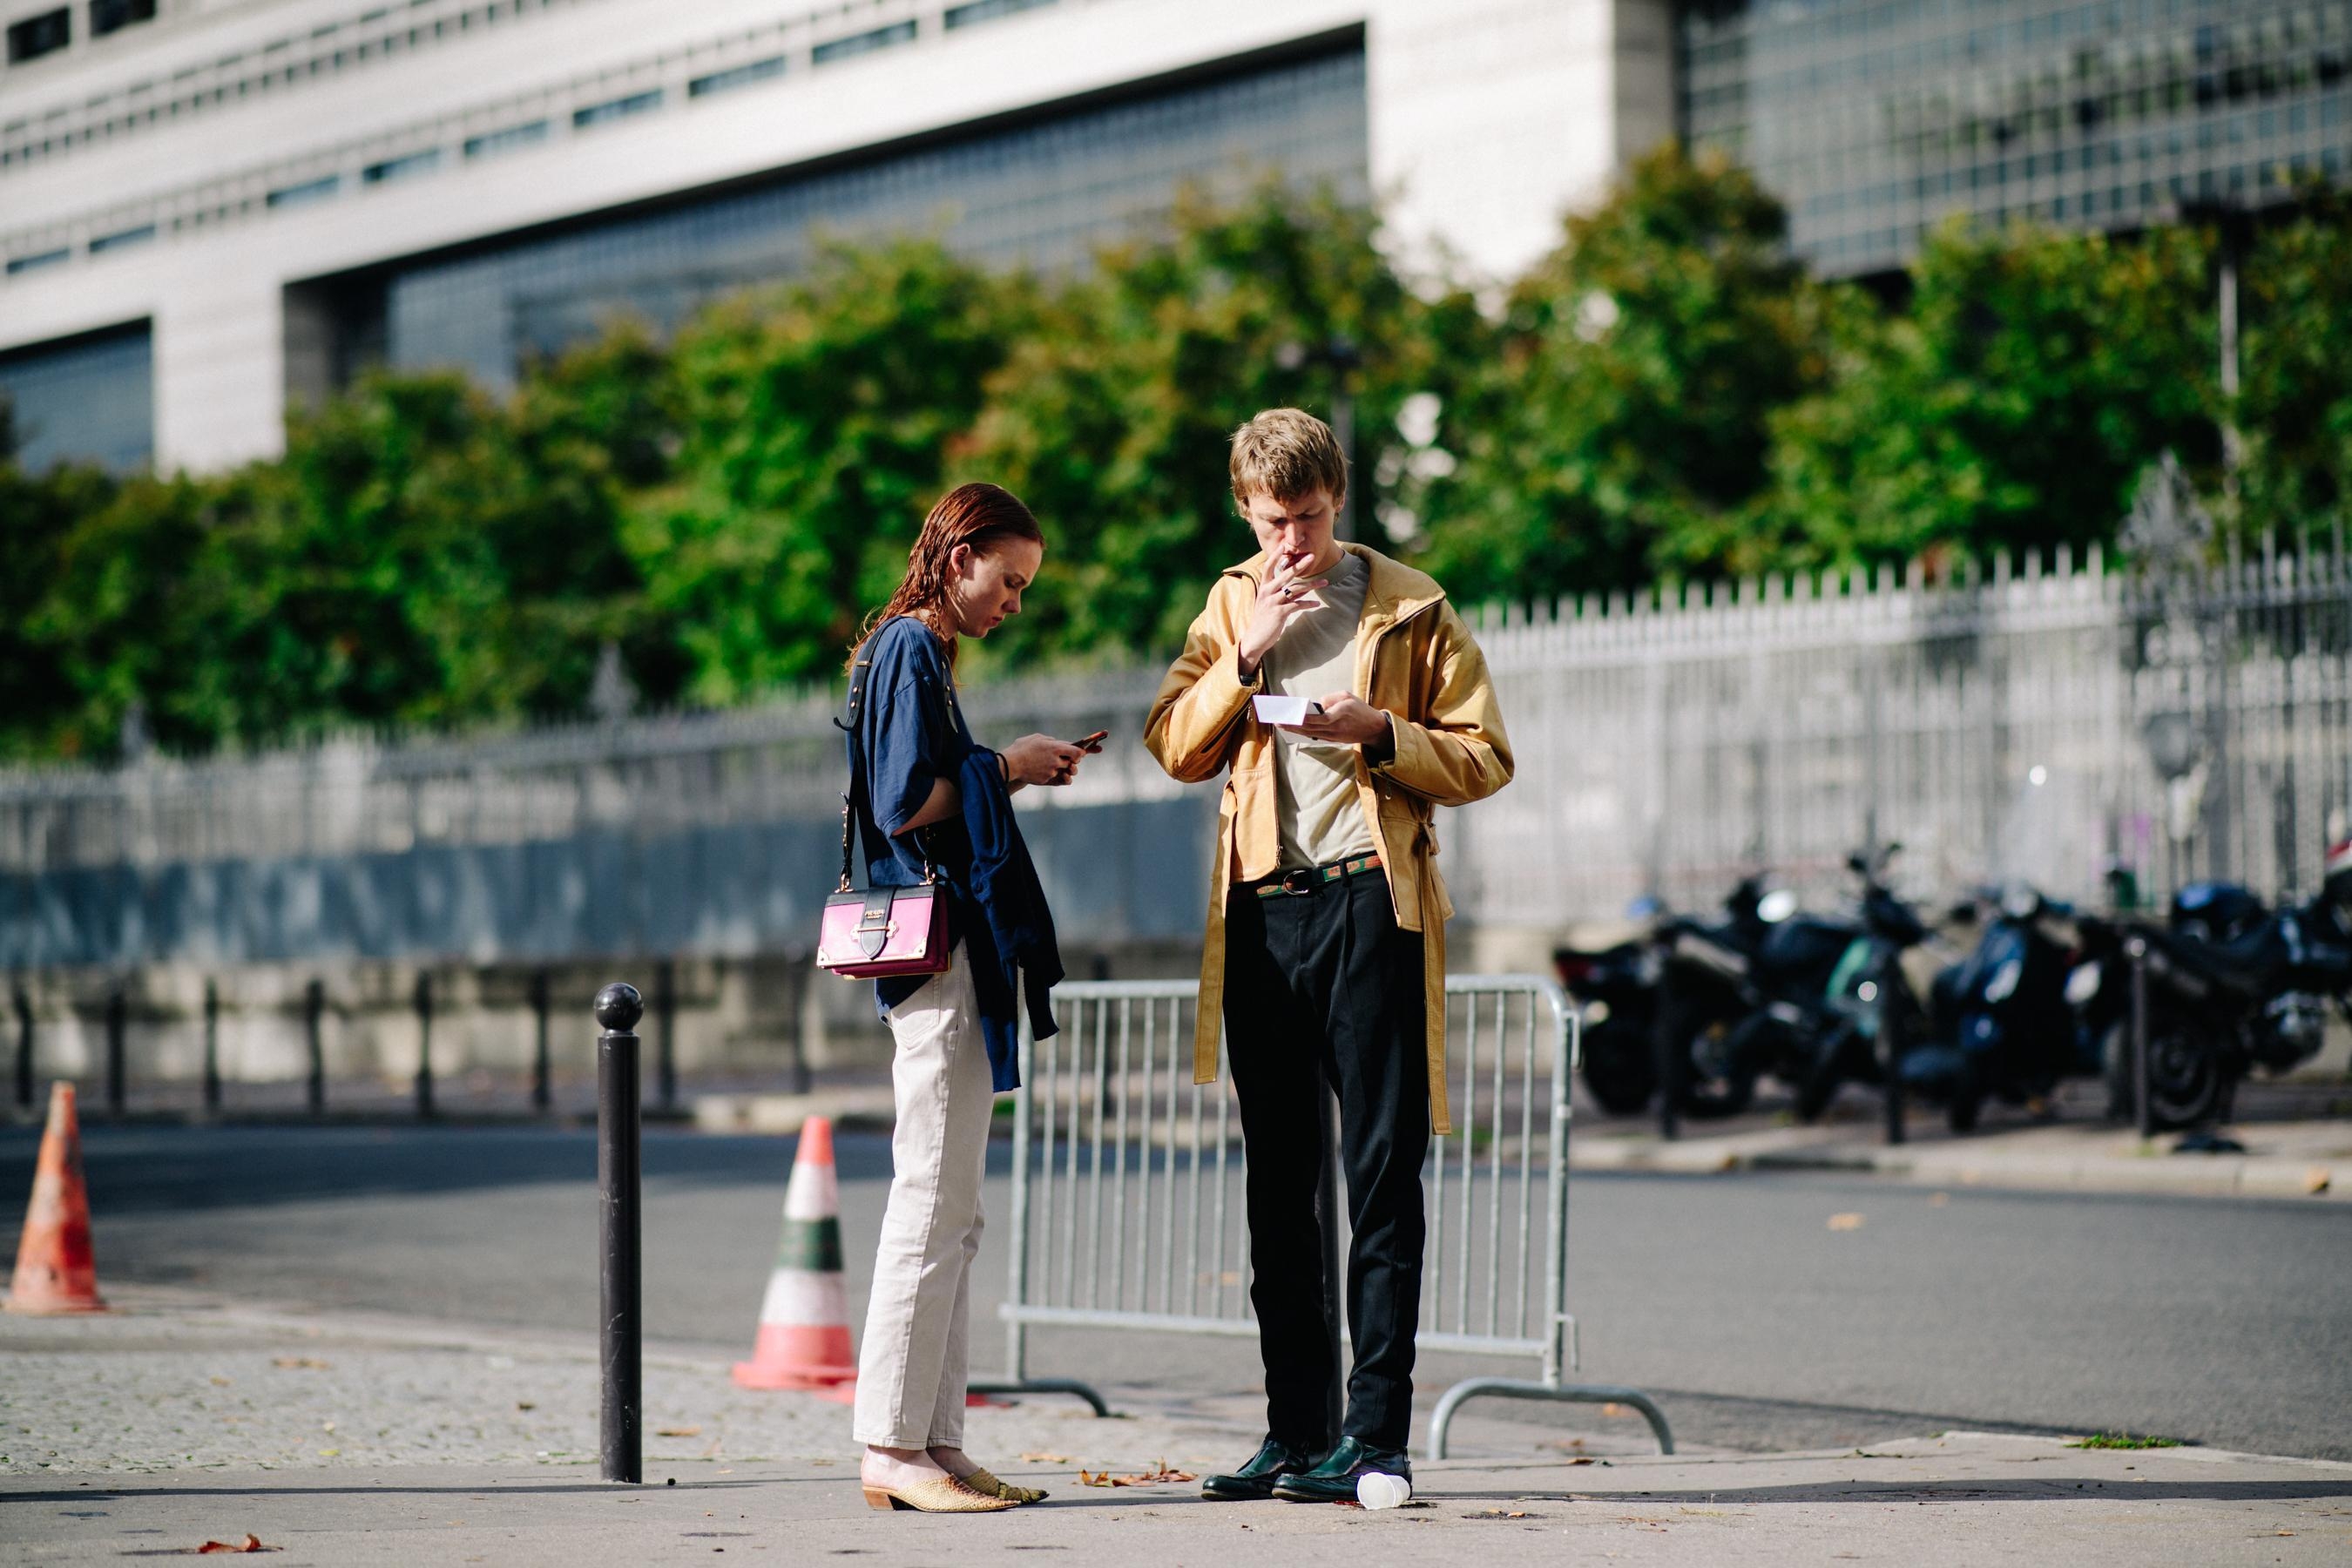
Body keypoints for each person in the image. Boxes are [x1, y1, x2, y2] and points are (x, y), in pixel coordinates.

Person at [1145, 409, 1513, 1503]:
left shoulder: (1412, 603)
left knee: (1382, 1176)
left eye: (1307, 519)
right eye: (1272, 522)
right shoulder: (1226, 601)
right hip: (1263, 912)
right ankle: (1294, 1434)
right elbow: (1175, 743)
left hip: (1372, 902)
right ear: (1243, 509)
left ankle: (1376, 1436)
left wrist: (1378, 733)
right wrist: (1247, 648)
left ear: (1337, 499)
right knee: (1278, 1183)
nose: (1291, 543)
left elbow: (1487, 755)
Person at [846, 482, 1087, 1514]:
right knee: (930, 1207)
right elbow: (908, 802)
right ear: (958, 561)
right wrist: (1012, 767)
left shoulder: (915, 653)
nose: (1014, 605)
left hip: (944, 956)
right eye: (1009, 581)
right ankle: (893, 1448)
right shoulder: (909, 647)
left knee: (954, 1212)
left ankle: (934, 1442)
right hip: (936, 955)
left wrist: (1000, 765)